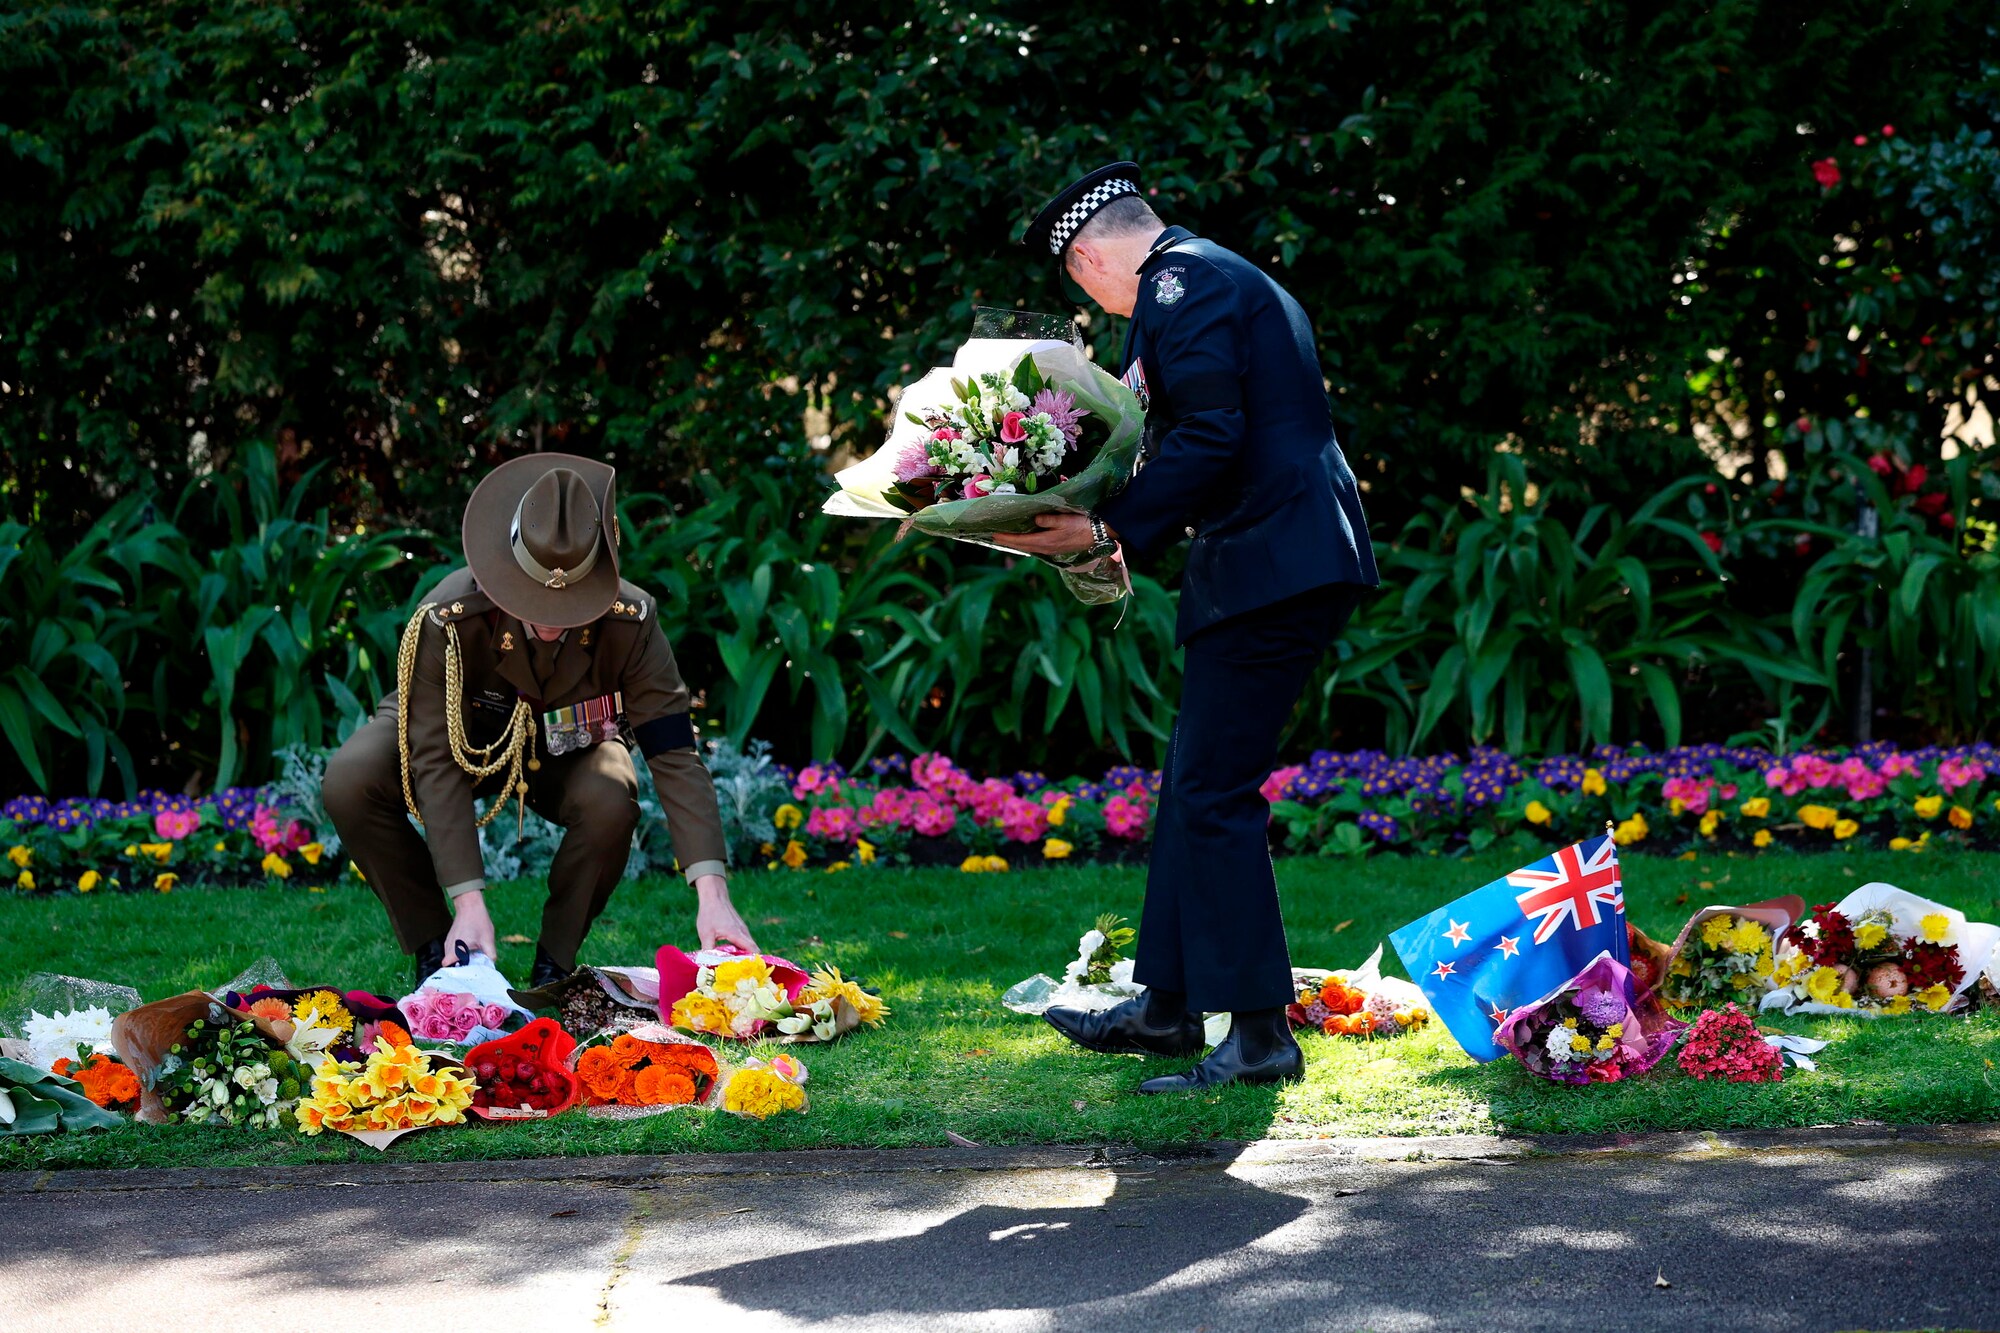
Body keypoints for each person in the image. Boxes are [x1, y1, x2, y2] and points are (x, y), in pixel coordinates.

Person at [998, 162, 1379, 1093]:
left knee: (1213, 792)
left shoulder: (1184, 283)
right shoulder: (1204, 275)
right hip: (1267, 558)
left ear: (1088, 259)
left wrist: (1106, 526)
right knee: (1193, 783)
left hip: (1273, 563)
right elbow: (1196, 435)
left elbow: (1210, 432)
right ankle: (1166, 1007)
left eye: (1079, 284)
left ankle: (1260, 1036)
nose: (1094, 304)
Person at [323, 453, 758, 992]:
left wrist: (714, 896)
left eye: (571, 604)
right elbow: (433, 756)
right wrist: (468, 901)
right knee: (351, 778)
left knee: (609, 795)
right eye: (535, 601)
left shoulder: (632, 622)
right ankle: (442, 947)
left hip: (562, 747)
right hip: (457, 731)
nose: (551, 621)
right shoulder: (449, 616)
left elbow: (672, 750)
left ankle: (555, 965)